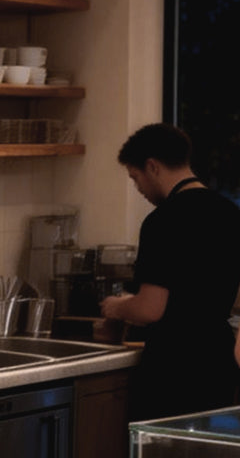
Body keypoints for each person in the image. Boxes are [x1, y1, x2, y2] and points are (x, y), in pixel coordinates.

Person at [100, 122, 240, 421]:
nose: (138, 189)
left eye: (135, 178)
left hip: (174, 367)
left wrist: (117, 307)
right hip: (218, 360)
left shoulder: (162, 221)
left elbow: (150, 309)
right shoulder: (229, 213)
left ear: (152, 167)